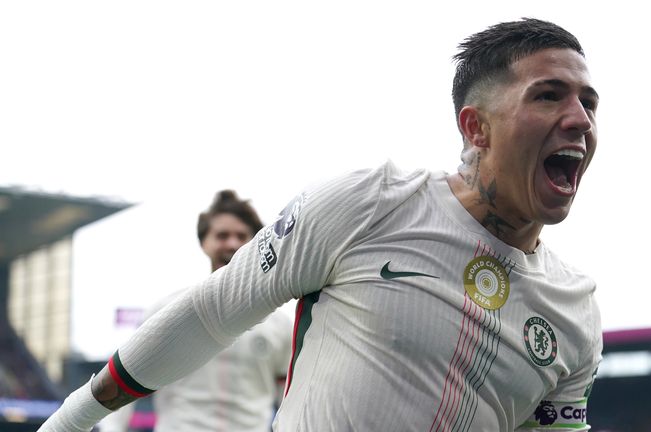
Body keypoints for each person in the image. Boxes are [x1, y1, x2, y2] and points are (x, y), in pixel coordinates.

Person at [40, 17, 603, 431]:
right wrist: (70, 422)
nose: (579, 119)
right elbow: (209, 313)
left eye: (589, 102)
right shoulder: (368, 204)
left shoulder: (575, 312)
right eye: (548, 96)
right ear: (475, 127)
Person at [97, 190, 292, 432]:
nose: (232, 243)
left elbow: (289, 398)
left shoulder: (281, 325)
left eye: (241, 236)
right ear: (204, 243)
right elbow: (126, 382)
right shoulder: (167, 311)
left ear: (255, 245)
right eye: (222, 235)